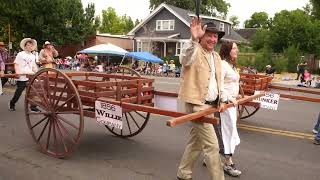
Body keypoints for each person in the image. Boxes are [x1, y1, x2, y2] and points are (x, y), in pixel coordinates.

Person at [176, 17, 225, 180]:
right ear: (202, 36)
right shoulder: (194, 50)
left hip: (210, 106)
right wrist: (193, 39)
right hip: (196, 105)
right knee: (212, 146)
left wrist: (223, 99)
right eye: (208, 35)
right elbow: (184, 58)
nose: (212, 39)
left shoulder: (217, 57)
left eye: (215, 36)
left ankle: (183, 173)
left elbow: (218, 82)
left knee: (195, 143)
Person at [213, 41, 242, 177]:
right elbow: (219, 85)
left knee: (222, 133)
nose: (237, 51)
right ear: (227, 50)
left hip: (232, 105)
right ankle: (228, 163)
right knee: (226, 134)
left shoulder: (232, 65)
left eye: (237, 48)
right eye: (234, 49)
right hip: (224, 105)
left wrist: (237, 96)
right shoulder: (223, 65)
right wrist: (227, 99)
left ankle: (210, 156)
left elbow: (233, 83)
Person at [8, 38, 40, 112]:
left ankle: (33, 106)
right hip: (22, 76)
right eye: (28, 45)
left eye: (31, 45)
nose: (30, 47)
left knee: (33, 91)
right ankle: (12, 103)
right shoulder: (20, 54)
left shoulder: (32, 56)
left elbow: (33, 66)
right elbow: (16, 64)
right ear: (25, 46)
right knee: (18, 92)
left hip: (30, 75)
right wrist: (17, 72)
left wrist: (37, 72)